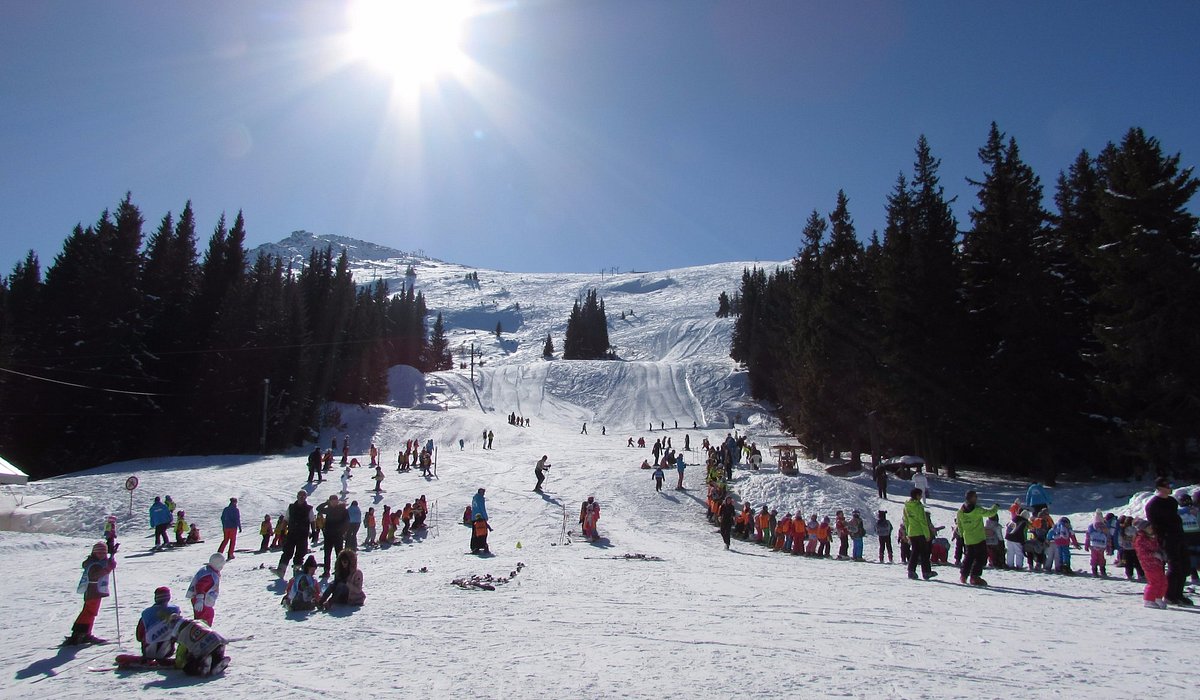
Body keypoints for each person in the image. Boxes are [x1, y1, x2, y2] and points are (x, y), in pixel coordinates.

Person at [1145, 476, 1192, 605]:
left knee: (1184, 566)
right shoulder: (1153, 504)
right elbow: (1154, 525)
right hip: (1166, 538)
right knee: (1174, 566)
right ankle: (1170, 595)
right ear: (1160, 487)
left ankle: (1179, 594)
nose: (1170, 488)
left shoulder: (1172, 501)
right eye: (1167, 485)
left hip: (1179, 536)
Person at [64, 541, 117, 645]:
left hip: (96, 590)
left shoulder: (97, 561)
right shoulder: (93, 564)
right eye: (100, 553)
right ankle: (81, 633)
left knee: (90, 612)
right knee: (89, 612)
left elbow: (105, 563)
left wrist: (111, 556)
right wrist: (108, 568)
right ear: (94, 553)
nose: (102, 555)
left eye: (104, 553)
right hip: (93, 591)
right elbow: (95, 576)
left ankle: (84, 633)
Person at [954, 490, 1000, 586]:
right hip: (978, 538)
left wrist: (962, 535)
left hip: (968, 539)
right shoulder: (977, 510)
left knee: (969, 557)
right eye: (975, 496)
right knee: (981, 558)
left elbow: (959, 525)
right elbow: (990, 513)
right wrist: (996, 507)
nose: (977, 498)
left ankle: (963, 575)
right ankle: (975, 577)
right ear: (972, 498)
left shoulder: (960, 512)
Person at [136, 586, 181, 662]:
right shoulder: (175, 610)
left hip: (147, 650)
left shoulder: (146, 613)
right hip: (167, 651)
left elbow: (139, 637)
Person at [276, 490, 314, 577]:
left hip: (303, 534)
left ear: (306, 497)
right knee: (287, 552)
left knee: (300, 554)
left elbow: (312, 521)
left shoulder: (309, 508)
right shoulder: (291, 507)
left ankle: (297, 573)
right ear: (297, 496)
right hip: (291, 533)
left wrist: (314, 531)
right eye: (300, 496)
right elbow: (286, 519)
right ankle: (281, 571)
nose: (302, 497)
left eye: (303, 496)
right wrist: (282, 531)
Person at [1133, 519, 1167, 609]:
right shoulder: (1140, 539)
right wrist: (1153, 554)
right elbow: (1142, 553)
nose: (1151, 528)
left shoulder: (1152, 537)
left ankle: (1158, 598)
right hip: (1149, 565)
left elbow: (1157, 547)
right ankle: (1149, 599)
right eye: (1149, 527)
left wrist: (1161, 554)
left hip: (1157, 563)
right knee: (1154, 582)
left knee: (1163, 581)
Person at [903, 488, 935, 580]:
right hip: (920, 532)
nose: (921, 497)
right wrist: (927, 534)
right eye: (920, 495)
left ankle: (911, 571)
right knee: (925, 552)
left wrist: (907, 532)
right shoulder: (918, 506)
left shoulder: (906, 506)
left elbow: (906, 520)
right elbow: (922, 521)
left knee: (915, 552)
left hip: (912, 532)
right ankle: (926, 572)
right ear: (917, 496)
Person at [186, 552, 224, 625]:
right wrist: (199, 599)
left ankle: (200, 629)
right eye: (221, 565)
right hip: (202, 600)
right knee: (206, 616)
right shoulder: (209, 575)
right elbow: (200, 586)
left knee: (202, 615)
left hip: (202, 599)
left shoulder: (208, 570)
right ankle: (203, 631)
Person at [317, 495, 349, 577]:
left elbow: (347, 521)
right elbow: (318, 508)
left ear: (337, 501)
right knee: (327, 554)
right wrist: (326, 503)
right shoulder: (329, 509)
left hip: (338, 535)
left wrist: (342, 531)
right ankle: (326, 571)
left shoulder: (342, 509)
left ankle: (340, 570)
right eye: (332, 501)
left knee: (339, 554)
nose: (334, 503)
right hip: (328, 535)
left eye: (335, 501)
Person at [1085, 511, 1110, 577]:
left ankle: (1094, 571)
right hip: (1102, 546)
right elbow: (1108, 537)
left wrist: (1087, 545)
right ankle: (1102, 571)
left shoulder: (1091, 526)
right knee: (1101, 558)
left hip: (1093, 545)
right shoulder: (1104, 526)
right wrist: (1108, 547)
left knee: (1094, 558)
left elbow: (1088, 537)